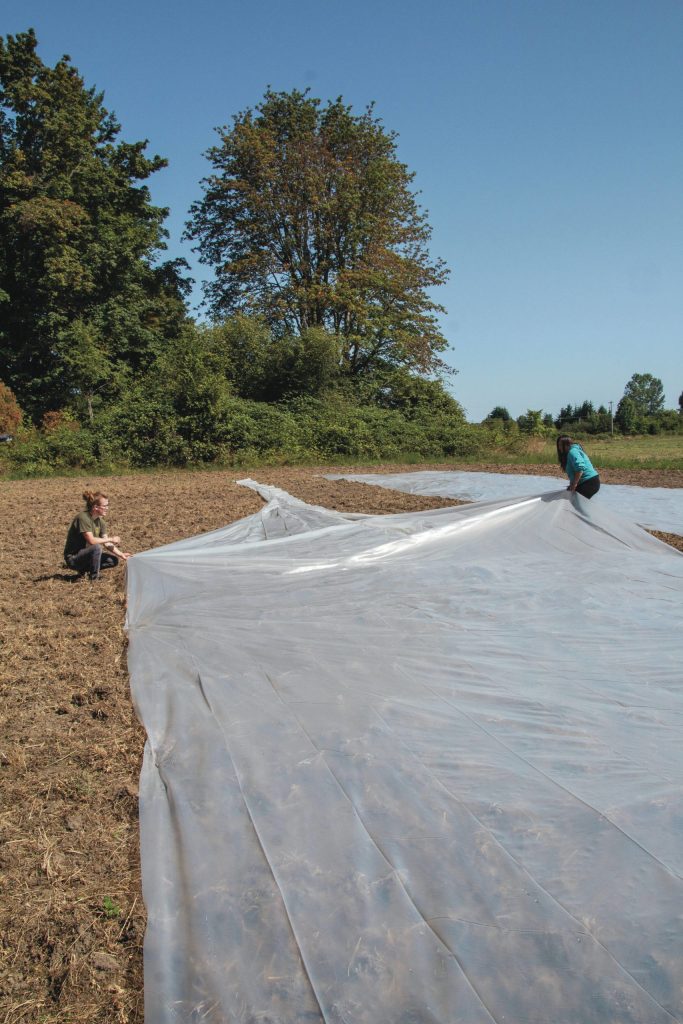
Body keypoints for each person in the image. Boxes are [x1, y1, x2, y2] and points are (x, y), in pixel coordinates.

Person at [64, 490, 131, 579]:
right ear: (95, 507)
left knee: (113, 560)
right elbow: (91, 540)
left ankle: (84, 571)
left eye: (107, 505)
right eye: (105, 506)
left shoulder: (101, 522)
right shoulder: (83, 518)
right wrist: (111, 539)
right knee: (96, 547)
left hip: (86, 556)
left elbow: (107, 544)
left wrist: (121, 554)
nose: (107, 508)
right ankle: (94, 578)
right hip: (74, 558)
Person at [556, 435, 601, 499]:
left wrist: (574, 484)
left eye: (560, 445)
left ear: (566, 445)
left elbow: (580, 468)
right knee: (573, 501)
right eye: (558, 445)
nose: (559, 447)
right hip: (586, 482)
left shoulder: (573, 452)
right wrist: (572, 485)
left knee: (574, 503)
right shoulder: (570, 452)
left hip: (589, 482)